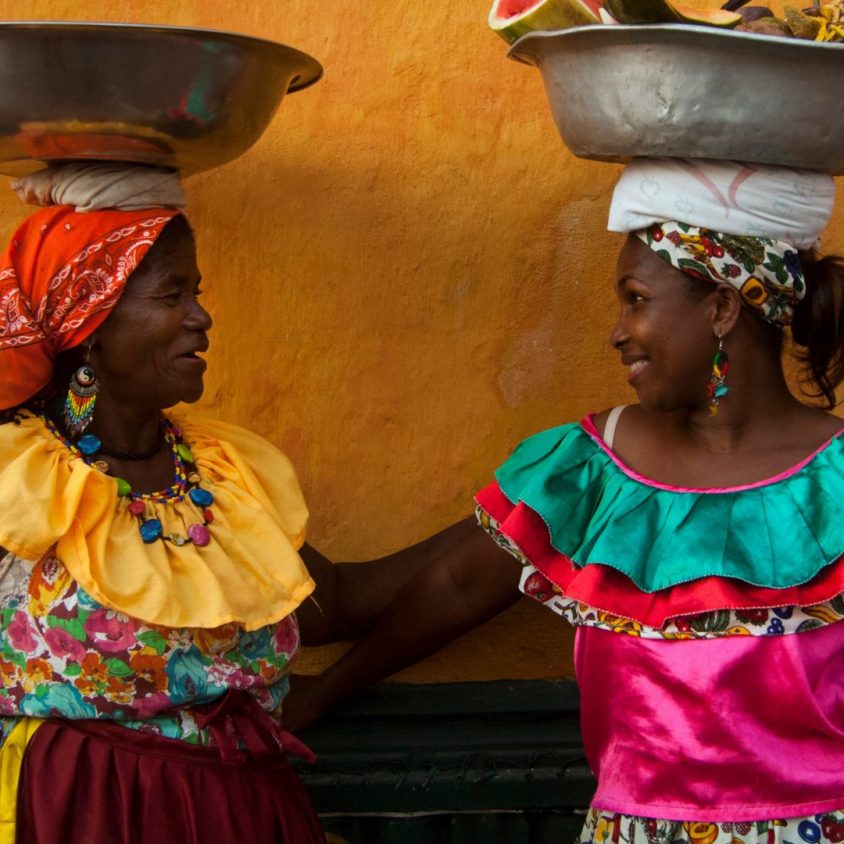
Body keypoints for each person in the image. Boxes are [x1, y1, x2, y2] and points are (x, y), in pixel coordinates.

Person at [286, 158, 844, 841]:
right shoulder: (596, 468)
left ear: (722, 307)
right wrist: (324, 689)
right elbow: (456, 584)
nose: (616, 330)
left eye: (636, 298)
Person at [0, 163, 496, 844]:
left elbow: (332, 603)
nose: (200, 317)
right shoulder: (16, 476)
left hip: (241, 814)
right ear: (91, 324)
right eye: (172, 294)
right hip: (83, 811)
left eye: (195, 292)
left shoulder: (221, 473)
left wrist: (510, 528)